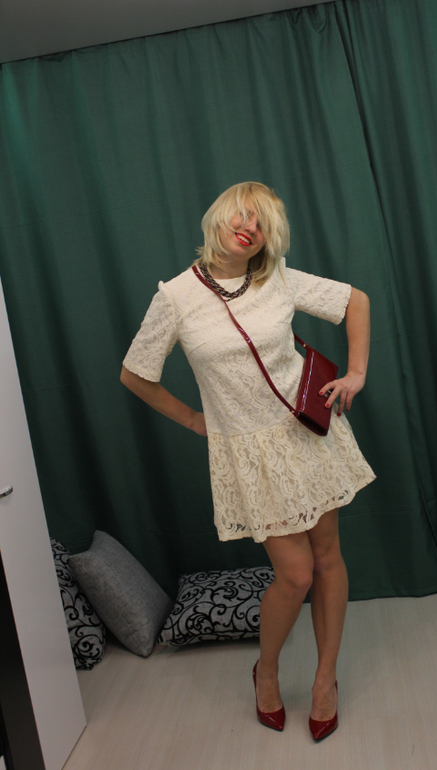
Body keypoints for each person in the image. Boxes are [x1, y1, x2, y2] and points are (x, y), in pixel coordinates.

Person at [121, 182, 375, 741]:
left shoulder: (276, 278)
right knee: (295, 574)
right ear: (219, 216)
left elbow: (355, 301)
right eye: (243, 215)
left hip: (308, 435)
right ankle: (267, 671)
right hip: (250, 453)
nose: (250, 228)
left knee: (327, 559)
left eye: (262, 224)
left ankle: (325, 681)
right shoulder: (175, 297)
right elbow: (135, 373)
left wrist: (356, 373)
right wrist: (193, 419)